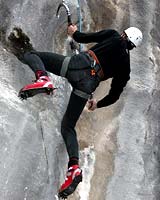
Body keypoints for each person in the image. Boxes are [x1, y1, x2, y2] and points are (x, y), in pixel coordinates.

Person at [7, 25, 143, 198]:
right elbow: (115, 95)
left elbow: (83, 37)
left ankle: (43, 78)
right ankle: (74, 168)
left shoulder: (114, 36)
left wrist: (73, 31)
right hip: (87, 86)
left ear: (125, 34)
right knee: (68, 127)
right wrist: (97, 104)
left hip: (78, 65)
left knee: (31, 55)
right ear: (133, 46)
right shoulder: (126, 67)